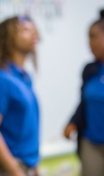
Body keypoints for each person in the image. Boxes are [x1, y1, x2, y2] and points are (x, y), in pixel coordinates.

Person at [0, 16, 40, 176]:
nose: (34, 33)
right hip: (4, 168)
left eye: (33, 29)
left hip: (25, 164)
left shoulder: (23, 77)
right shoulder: (1, 78)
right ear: (9, 38)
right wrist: (15, 171)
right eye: (25, 30)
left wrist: (33, 167)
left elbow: (25, 128)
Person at [64, 9, 104, 176]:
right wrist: (72, 122)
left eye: (94, 36)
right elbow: (84, 103)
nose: (90, 42)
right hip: (91, 143)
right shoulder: (90, 70)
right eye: (88, 37)